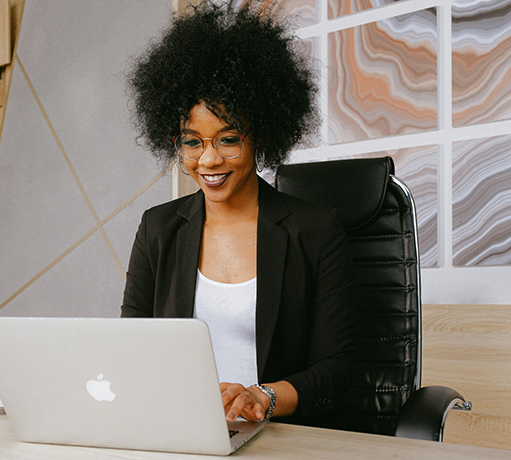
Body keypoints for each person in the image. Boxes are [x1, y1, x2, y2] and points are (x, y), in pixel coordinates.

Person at [121, 1, 355, 427]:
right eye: (192, 142)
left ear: (260, 134)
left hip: (280, 436)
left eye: (228, 139)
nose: (208, 160)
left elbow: (337, 368)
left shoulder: (315, 230)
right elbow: (132, 346)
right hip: (181, 429)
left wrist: (262, 397)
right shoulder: (159, 228)